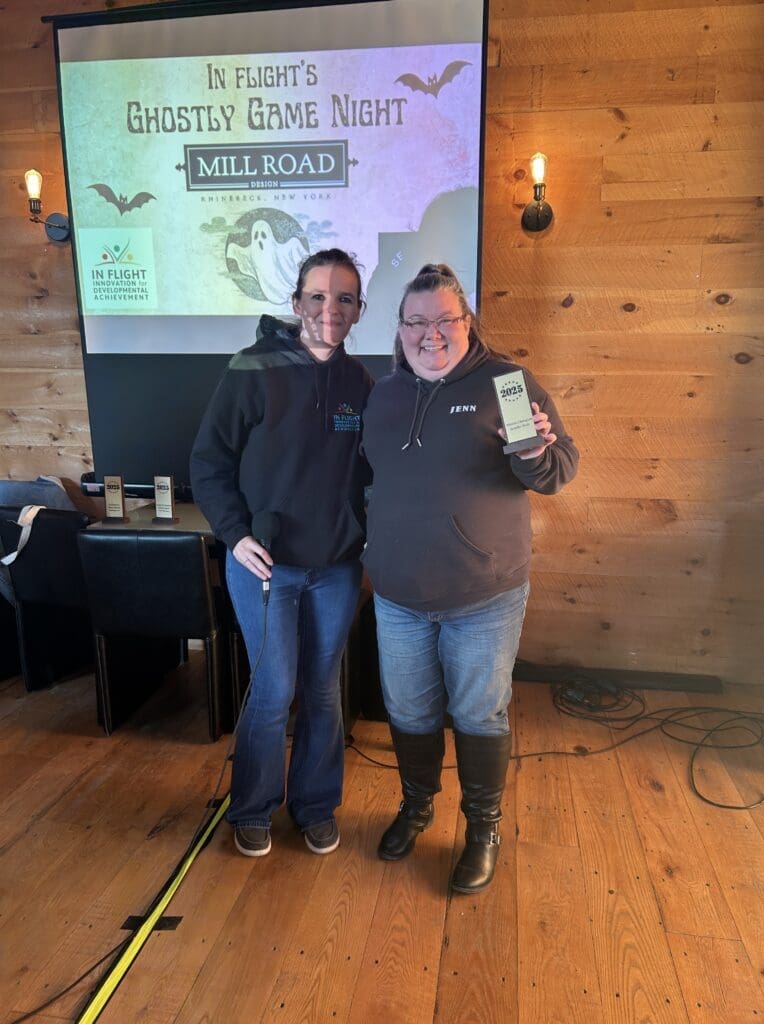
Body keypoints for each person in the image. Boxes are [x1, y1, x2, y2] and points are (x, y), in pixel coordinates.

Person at [361, 264, 578, 894]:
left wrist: (535, 452)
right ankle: (416, 807)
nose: (432, 334)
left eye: (445, 320)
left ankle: (483, 829)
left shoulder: (506, 385)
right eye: (417, 322)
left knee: (479, 714)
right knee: (407, 708)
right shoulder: (384, 395)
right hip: (398, 595)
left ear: (467, 322)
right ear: (401, 329)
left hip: (483, 594)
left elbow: (555, 468)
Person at [190, 248, 373, 859]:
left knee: (323, 690)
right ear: (296, 304)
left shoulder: (362, 384)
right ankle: (252, 807)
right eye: (318, 296)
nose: (330, 308)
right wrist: (235, 534)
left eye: (344, 298)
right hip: (263, 566)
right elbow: (209, 463)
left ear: (358, 311)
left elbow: (376, 475)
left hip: (336, 569)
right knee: (272, 689)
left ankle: (316, 805)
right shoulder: (251, 368)